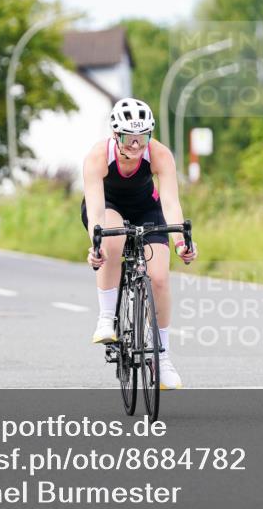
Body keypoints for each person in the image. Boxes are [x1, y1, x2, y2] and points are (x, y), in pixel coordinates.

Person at [81, 98, 198, 390]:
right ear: (115, 135)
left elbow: (170, 202)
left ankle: (162, 358)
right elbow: (95, 209)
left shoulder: (159, 154)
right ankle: (107, 318)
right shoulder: (98, 156)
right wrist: (95, 245)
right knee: (115, 234)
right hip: (107, 207)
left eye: (142, 137)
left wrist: (181, 242)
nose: (136, 145)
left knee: (159, 279)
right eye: (129, 138)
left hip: (147, 209)